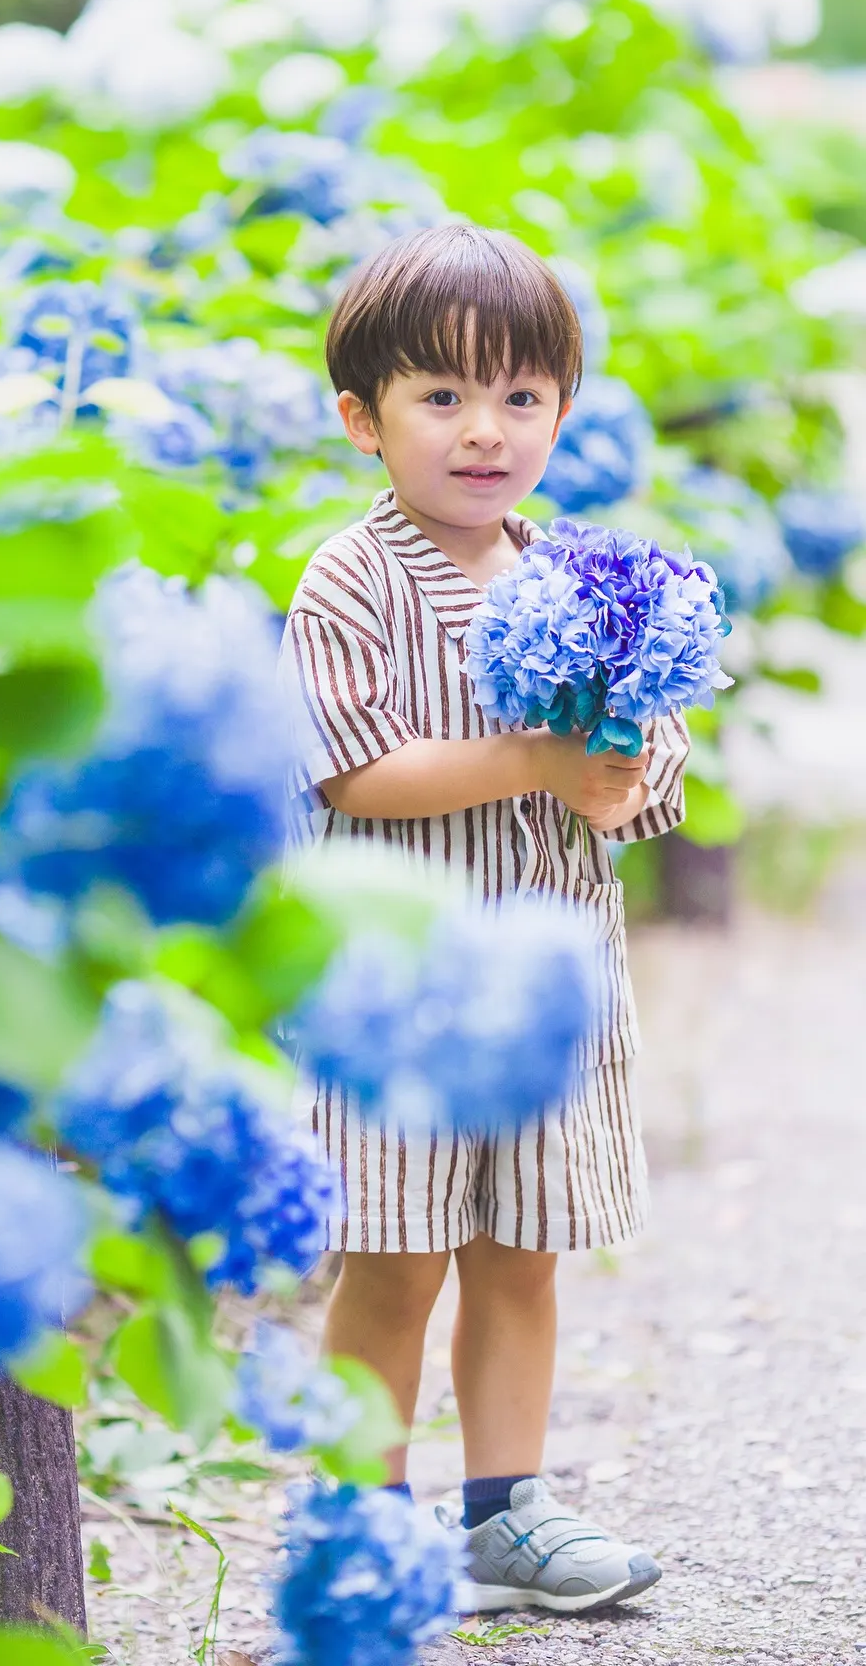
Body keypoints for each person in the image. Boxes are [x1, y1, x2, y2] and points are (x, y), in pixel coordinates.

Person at [283, 221, 686, 1615]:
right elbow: (353, 769)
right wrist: (533, 759)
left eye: (520, 396)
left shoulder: (583, 575)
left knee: (522, 1256)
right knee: (392, 1263)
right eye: (441, 397)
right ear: (363, 417)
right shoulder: (354, 579)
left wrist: (621, 768)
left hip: (551, 985)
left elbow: (647, 772)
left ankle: (502, 1514)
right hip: (401, 992)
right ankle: (358, 1522)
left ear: (563, 412)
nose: (484, 431)